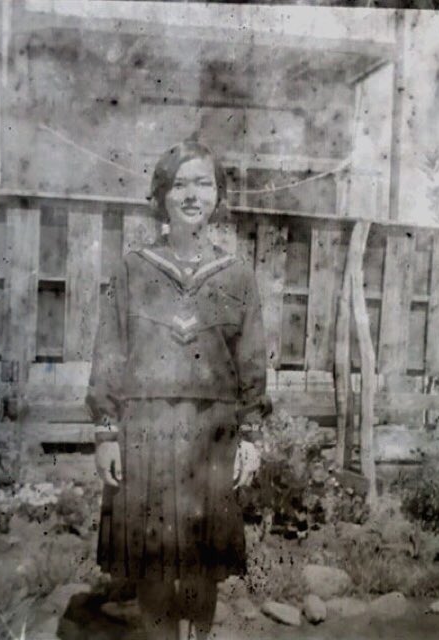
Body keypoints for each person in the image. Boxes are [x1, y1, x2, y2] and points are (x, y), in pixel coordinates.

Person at [87, 139, 271, 640]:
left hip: (211, 434)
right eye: (180, 184)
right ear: (162, 196)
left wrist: (251, 437)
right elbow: (109, 351)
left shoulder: (237, 276)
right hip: (146, 431)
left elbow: (252, 361)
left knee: (202, 560)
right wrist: (106, 433)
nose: (192, 195)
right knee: (151, 559)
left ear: (218, 196)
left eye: (203, 184)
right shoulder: (134, 268)